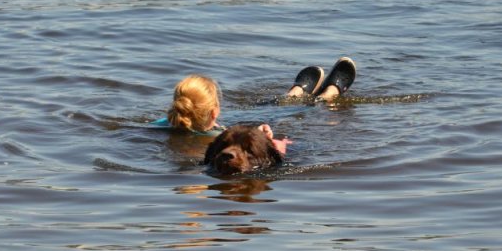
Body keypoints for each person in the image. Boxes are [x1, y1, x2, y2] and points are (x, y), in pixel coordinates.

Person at [150, 56, 356, 152]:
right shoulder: (220, 138)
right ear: (215, 113)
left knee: (269, 113)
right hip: (237, 125)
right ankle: (325, 96)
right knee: (274, 114)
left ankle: (298, 95)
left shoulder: (160, 126)